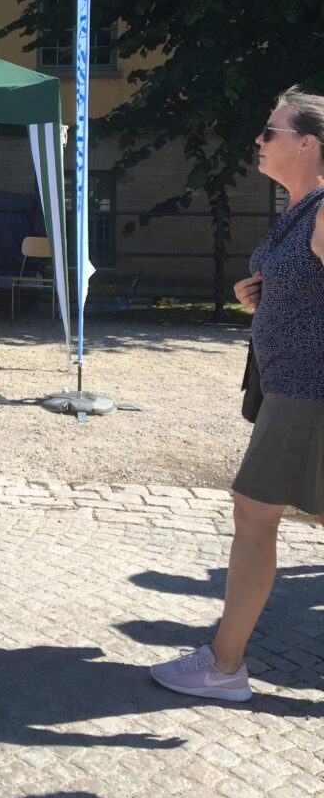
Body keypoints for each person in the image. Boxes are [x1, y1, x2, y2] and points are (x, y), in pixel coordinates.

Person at [151, 87, 324, 703]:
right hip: (288, 386)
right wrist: (263, 292)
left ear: (306, 143)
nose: (258, 139)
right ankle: (224, 664)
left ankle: (225, 666)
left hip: (308, 390)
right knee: (259, 513)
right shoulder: (299, 207)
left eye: (270, 131)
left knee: (253, 513)